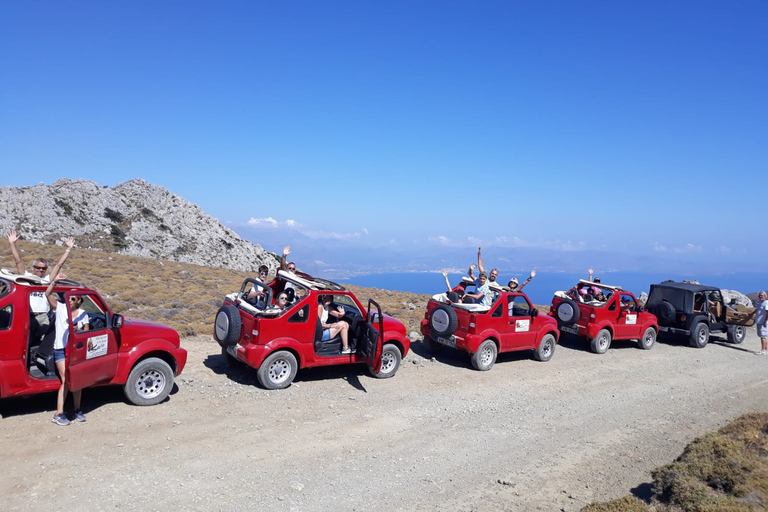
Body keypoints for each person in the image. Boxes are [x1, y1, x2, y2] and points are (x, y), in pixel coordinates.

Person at [7, 230, 75, 342]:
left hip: (43, 316)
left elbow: (59, 265)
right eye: (38, 268)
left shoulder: (48, 280)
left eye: (43, 268)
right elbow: (18, 261)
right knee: (24, 341)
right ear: (33, 267)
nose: (40, 270)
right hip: (27, 315)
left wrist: (68, 249)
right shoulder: (26, 277)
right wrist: (12, 244)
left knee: (45, 341)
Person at [45, 273, 89, 426]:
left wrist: (78, 330)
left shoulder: (83, 314)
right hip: (61, 349)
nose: (69, 300)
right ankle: (58, 413)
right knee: (67, 380)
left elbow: (86, 333)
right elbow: (48, 293)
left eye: (73, 299)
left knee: (77, 380)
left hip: (75, 349)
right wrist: (55, 281)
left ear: (79, 301)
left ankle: (77, 409)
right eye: (68, 298)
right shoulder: (60, 308)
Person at [755, 291, 768, 355]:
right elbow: (756, 310)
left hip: (763, 322)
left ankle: (763, 350)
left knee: (763, 336)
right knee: (764, 336)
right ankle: (765, 350)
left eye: (762, 295)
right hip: (759, 321)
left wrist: (765, 321)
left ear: (765, 296)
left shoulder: (766, 303)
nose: (760, 297)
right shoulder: (760, 303)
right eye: (760, 295)